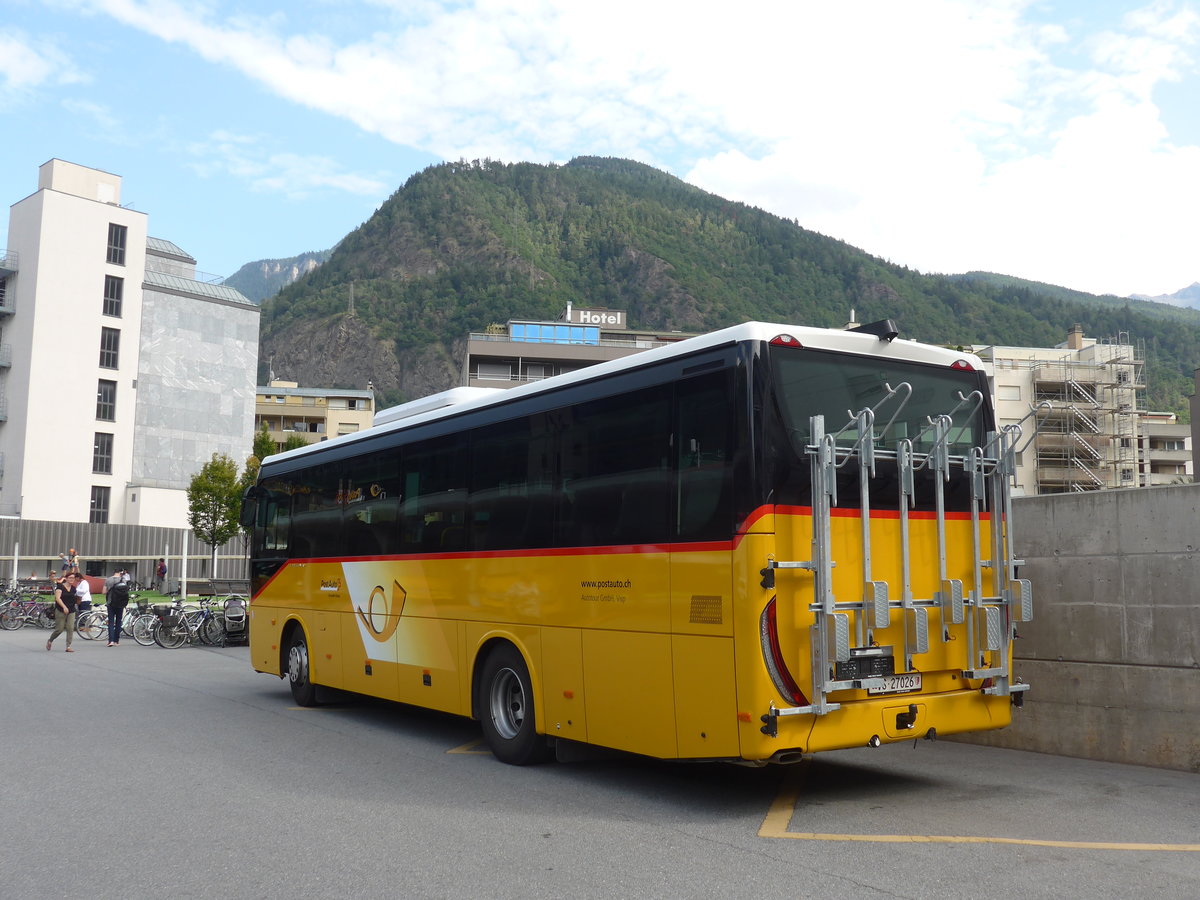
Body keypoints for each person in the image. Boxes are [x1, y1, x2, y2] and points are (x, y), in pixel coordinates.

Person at [46, 573, 80, 652]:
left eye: (73, 578)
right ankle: (50, 640)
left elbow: (75, 599)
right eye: (70, 578)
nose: (72, 579)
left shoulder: (74, 588)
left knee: (70, 628)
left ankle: (68, 646)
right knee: (59, 629)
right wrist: (64, 607)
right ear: (66, 578)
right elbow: (58, 598)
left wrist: (79, 600)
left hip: (71, 610)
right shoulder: (60, 587)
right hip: (61, 609)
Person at [104, 569, 131, 646]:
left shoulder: (108, 580)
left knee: (111, 622)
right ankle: (116, 641)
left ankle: (110, 641)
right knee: (119, 621)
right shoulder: (123, 580)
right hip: (120, 603)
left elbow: (103, 592)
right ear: (120, 573)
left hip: (110, 603)